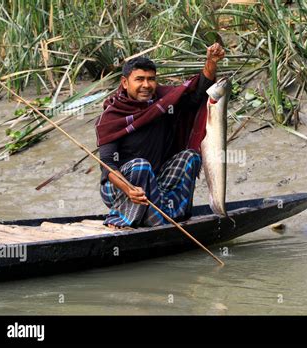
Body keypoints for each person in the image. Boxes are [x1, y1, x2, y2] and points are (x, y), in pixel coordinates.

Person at [95, 43, 225, 229]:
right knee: (140, 166)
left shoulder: (162, 102)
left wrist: (211, 62)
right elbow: (108, 166)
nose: (146, 85)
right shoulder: (111, 117)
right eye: (139, 79)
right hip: (118, 187)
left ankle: (174, 214)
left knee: (190, 157)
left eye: (151, 79)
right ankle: (126, 217)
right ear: (125, 82)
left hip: (155, 181)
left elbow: (196, 95)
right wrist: (129, 190)